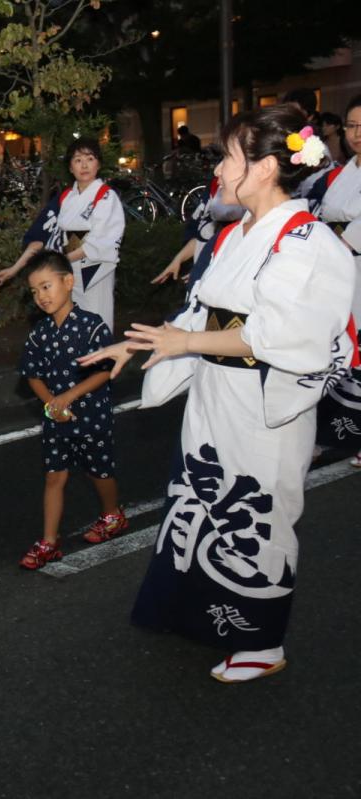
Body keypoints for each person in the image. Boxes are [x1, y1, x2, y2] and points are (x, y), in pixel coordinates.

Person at [80, 105, 355, 683]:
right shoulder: (237, 233)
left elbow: (283, 336)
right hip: (217, 389)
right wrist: (141, 346)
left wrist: (188, 341)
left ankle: (261, 642)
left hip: (261, 399)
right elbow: (203, 308)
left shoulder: (308, 242)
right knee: (203, 494)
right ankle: (201, 614)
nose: (220, 168)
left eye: (230, 156)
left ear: (263, 169)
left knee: (257, 511)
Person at [16, 250, 125, 570]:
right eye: (35, 291)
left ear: (68, 281)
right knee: (54, 476)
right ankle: (49, 541)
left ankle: (112, 514)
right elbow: (32, 374)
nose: (41, 296)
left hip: (92, 414)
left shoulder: (92, 326)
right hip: (56, 417)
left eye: (46, 286)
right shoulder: (40, 333)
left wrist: (69, 396)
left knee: (99, 471)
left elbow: (104, 370)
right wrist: (52, 402)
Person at [0, 137, 125, 332]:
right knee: (69, 330)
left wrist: (61, 260)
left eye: (89, 158)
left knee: (95, 325)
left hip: (93, 273)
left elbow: (100, 242)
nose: (84, 165)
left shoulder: (105, 196)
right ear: (70, 168)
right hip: (65, 275)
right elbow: (43, 239)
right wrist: (15, 268)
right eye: (78, 160)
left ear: (99, 164)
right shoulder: (66, 198)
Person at [310, 95, 361, 464]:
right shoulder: (342, 172)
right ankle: (335, 432)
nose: (357, 134)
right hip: (340, 271)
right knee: (338, 348)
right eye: (352, 126)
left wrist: (337, 244)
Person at [152, 170, 245, 286]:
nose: (217, 169)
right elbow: (204, 234)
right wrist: (179, 259)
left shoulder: (240, 201)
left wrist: (209, 270)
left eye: (228, 157)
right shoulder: (215, 187)